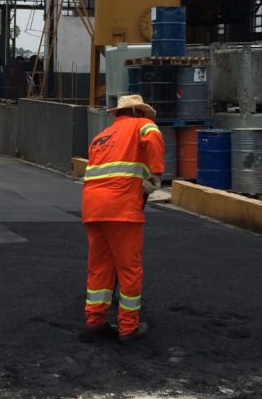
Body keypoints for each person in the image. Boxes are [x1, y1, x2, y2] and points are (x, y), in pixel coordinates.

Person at [80, 94, 165, 344]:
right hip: (122, 209)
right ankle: (128, 327)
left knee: (100, 267)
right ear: (138, 112)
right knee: (129, 269)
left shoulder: (101, 137)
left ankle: (94, 321)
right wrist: (156, 175)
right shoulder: (142, 125)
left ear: (117, 113)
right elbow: (153, 135)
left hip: (93, 209)